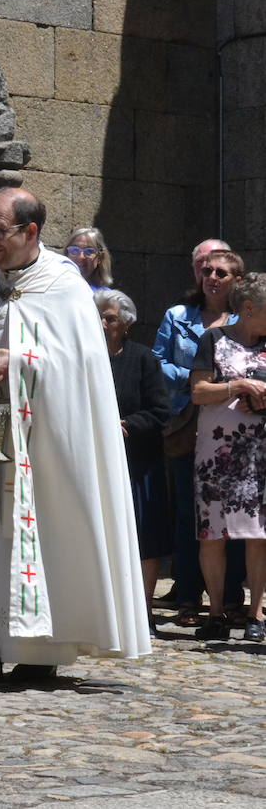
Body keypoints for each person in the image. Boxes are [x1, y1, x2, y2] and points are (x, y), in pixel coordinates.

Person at [0, 188, 151, 684]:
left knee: (41, 535)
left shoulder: (64, 285)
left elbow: (81, 367)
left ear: (31, 231)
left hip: (42, 450)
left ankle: (40, 653)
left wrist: (17, 362)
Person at [153, 245, 242, 627]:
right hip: (187, 422)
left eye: (221, 273)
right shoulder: (178, 317)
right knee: (191, 514)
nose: (212, 278)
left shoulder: (247, 318)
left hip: (235, 427)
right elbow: (158, 361)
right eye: (207, 272)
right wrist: (196, 379)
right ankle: (188, 596)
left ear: (237, 280)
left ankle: (232, 598)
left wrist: (218, 385)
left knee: (236, 517)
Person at [188, 272, 266, 642]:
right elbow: (199, 392)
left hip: (260, 453)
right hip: (217, 453)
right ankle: (216, 611)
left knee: (260, 534)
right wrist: (238, 386)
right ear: (249, 309)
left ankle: (255, 614)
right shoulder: (213, 340)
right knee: (212, 534)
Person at [97, 290, 172, 627]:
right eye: (98, 316)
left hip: (137, 462)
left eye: (109, 318)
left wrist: (125, 425)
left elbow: (160, 410)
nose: (102, 324)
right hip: (95, 461)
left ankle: (143, 610)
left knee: (144, 537)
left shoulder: (142, 359)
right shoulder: (83, 358)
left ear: (125, 324)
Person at [64, 227, 113, 292]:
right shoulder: (52, 286)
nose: (81, 257)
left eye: (89, 251)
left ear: (100, 258)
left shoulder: (105, 298)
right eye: (74, 250)